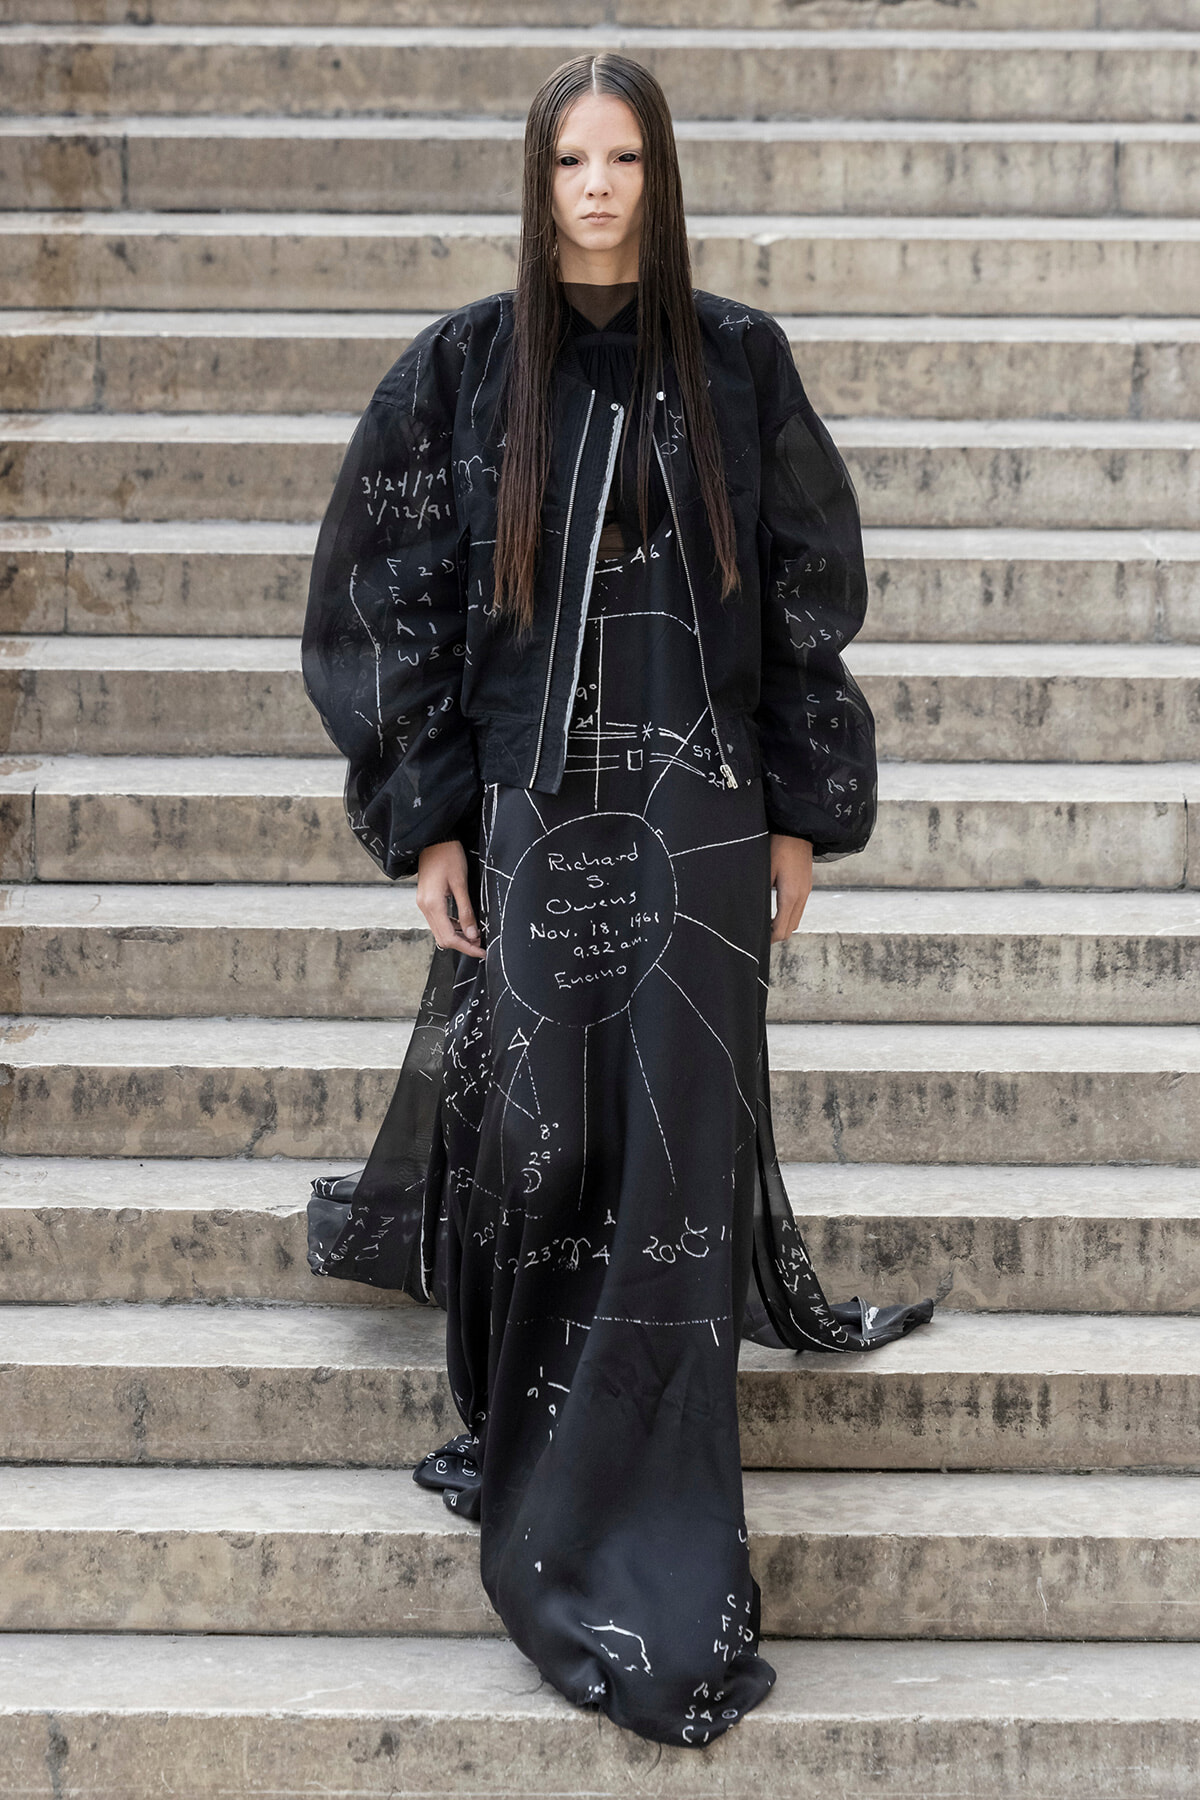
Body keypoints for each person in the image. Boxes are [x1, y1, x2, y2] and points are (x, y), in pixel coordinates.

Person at [302, 51, 932, 1750]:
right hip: (530, 822)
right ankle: (528, 1426)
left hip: (704, 824)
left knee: (670, 1155)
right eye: (572, 158)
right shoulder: (460, 376)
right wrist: (433, 814)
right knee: (541, 1144)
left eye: (625, 159)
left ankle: (657, 1501)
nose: (597, 187)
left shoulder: (737, 366)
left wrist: (800, 809)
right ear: (539, 176)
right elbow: (394, 599)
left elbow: (806, 596)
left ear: (659, 179)